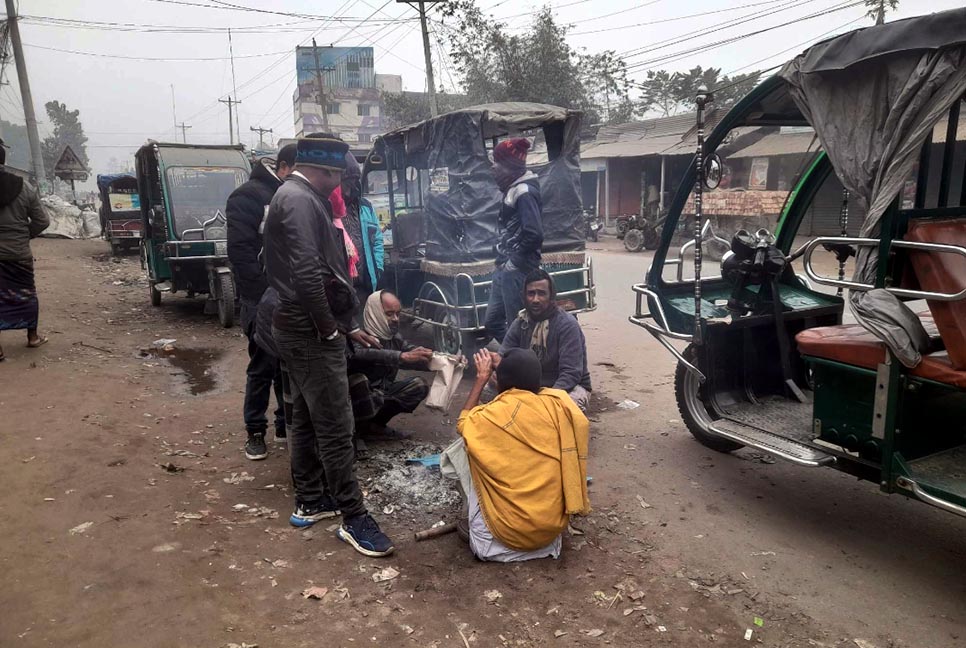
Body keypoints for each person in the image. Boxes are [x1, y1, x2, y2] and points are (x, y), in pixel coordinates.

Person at [262, 132, 394, 557]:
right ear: (324, 170)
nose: (341, 184)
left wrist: (346, 324)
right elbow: (305, 272)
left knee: (302, 414)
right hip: (307, 330)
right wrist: (329, 328)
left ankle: (311, 498)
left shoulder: (294, 195)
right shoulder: (299, 199)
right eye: (338, 175)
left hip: (297, 327)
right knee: (337, 424)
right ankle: (354, 518)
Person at [440, 348, 590, 562]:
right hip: (548, 537)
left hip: (495, 544)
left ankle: (482, 526)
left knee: (464, 448)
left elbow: (463, 423)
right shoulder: (557, 405)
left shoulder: (488, 416)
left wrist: (481, 379)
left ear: (499, 382)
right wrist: (508, 369)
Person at [227, 144, 297, 461]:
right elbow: (240, 255)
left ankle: (285, 423)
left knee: (288, 365)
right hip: (261, 300)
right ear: (283, 167)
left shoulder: (290, 196)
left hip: (288, 297)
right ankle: (255, 431)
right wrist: (260, 298)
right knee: (262, 366)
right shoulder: (248, 197)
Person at [497, 269, 592, 410]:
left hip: (568, 387)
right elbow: (503, 356)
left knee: (564, 408)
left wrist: (544, 400)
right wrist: (494, 369)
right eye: (531, 293)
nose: (535, 300)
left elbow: (571, 374)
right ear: (524, 296)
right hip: (530, 387)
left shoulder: (567, 324)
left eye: (541, 293)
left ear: (551, 296)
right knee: (489, 390)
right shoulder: (521, 322)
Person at [348, 290, 433, 439]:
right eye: (389, 314)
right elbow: (360, 354)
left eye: (397, 314)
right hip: (356, 402)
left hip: (382, 393)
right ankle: (355, 431)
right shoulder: (358, 335)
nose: (395, 319)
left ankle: (375, 426)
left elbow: (411, 353)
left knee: (419, 385)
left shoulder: (394, 338)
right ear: (376, 313)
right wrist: (400, 356)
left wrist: (444, 360)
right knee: (358, 381)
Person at [483, 138, 543, 343]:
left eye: (497, 162)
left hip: (516, 269)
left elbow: (534, 233)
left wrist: (513, 262)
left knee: (518, 325)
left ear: (509, 167)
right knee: (492, 322)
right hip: (504, 267)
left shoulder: (524, 192)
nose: (493, 167)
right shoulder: (512, 189)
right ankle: (514, 358)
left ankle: (526, 366)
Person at [0, 142, 50, 362]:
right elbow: (43, 220)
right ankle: (32, 336)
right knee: (26, 293)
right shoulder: (24, 187)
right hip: (19, 253)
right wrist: (25, 234)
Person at [341, 152, 384, 304]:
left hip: (365, 284)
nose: (350, 187)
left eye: (353, 181)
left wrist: (377, 268)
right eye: (346, 182)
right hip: (342, 285)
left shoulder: (366, 206)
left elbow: (377, 239)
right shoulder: (330, 208)